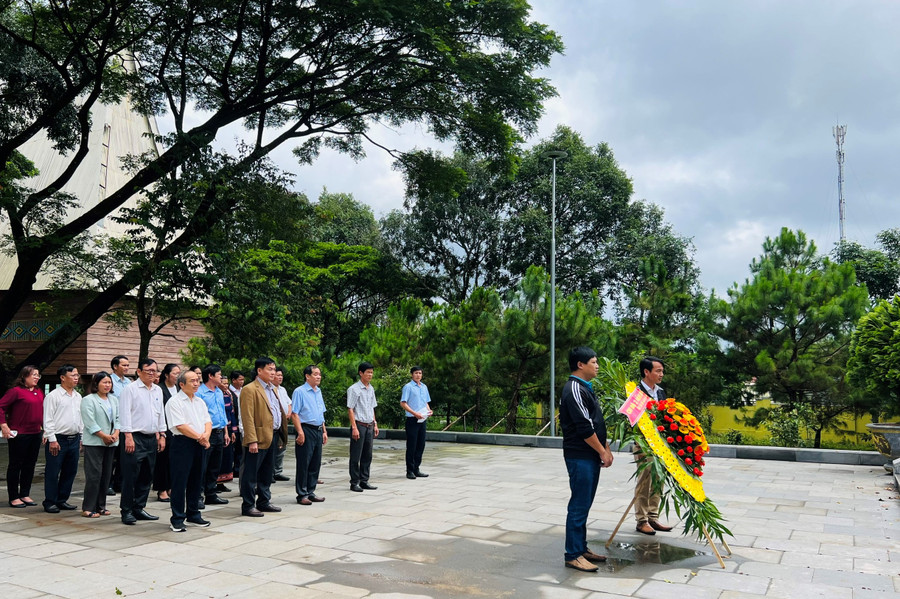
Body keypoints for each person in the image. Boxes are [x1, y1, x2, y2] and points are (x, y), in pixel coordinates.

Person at [559, 346, 614, 572]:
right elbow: (583, 427)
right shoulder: (573, 389)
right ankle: (573, 554)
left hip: (590, 454)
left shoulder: (585, 388)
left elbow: (596, 423)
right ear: (580, 365)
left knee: (585, 503)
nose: (597, 365)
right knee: (579, 505)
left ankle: (581, 548)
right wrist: (602, 451)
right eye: (593, 362)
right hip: (580, 455)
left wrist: (605, 447)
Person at [118, 358, 166, 525]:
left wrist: (162, 435)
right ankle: (127, 510)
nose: (152, 373)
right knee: (131, 475)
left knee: (147, 474)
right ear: (139, 372)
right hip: (134, 436)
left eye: (155, 370)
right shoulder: (130, 389)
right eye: (148, 370)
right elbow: (124, 414)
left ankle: (139, 507)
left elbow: (160, 414)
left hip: (151, 437)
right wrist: (128, 437)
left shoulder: (157, 390)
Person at [238, 357, 288, 517]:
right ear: (259, 371)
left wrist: (280, 435)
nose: (273, 372)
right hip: (257, 439)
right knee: (251, 473)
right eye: (270, 369)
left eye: (274, 369)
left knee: (267, 472)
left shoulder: (272, 389)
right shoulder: (250, 389)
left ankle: (264, 501)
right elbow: (247, 417)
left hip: (272, 436)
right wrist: (252, 440)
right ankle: (248, 505)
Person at [166, 369, 212, 532]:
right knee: (180, 482)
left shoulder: (199, 401)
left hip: (200, 443)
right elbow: (180, 426)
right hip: (182, 444)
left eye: (197, 380)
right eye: (192, 381)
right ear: (182, 384)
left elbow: (208, 421)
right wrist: (201, 437)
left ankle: (193, 513)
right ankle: (177, 518)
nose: (196, 383)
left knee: (196, 480)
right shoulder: (175, 402)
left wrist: (205, 436)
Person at [633, 356, 674, 536]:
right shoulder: (635, 393)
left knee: (659, 479)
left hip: (661, 445)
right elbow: (632, 421)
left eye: (662, 371)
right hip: (643, 444)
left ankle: (652, 516)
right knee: (645, 480)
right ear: (646, 372)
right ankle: (641, 520)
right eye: (658, 371)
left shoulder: (661, 392)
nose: (661, 374)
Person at [0, 366, 44, 508]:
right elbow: (1, 407)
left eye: (38, 375)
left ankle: (25, 493)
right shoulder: (15, 392)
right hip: (20, 434)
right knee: (15, 465)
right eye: (34, 375)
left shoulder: (38, 391)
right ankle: (13, 496)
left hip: (36, 433)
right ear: (24, 376)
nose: (37, 377)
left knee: (30, 464)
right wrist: (4, 425)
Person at [42, 364, 83, 513]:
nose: (76, 378)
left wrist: (81, 438)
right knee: (53, 471)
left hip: (74, 438)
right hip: (58, 439)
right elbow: (48, 419)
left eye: (77, 375)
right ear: (62, 377)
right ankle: (50, 501)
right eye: (73, 375)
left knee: (70, 471)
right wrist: (52, 439)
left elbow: (80, 419)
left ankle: (62, 499)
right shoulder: (53, 396)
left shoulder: (78, 396)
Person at [80, 372, 120, 518]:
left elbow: (118, 418)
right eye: (104, 382)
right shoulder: (88, 400)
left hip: (111, 442)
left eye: (109, 382)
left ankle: (101, 505)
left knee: (106, 475)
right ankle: (88, 507)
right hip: (95, 442)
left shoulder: (114, 400)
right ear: (96, 384)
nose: (107, 385)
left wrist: (116, 433)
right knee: (94, 475)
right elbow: (89, 422)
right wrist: (103, 435)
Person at [291, 365, 328, 505]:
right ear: (307, 376)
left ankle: (311, 491)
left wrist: (324, 430)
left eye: (319, 374)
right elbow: (294, 413)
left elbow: (321, 413)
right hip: (306, 429)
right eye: (315, 374)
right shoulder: (299, 392)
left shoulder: (318, 391)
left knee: (315, 463)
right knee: (304, 463)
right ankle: (302, 494)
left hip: (318, 429)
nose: (318, 376)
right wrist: (300, 432)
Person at [197, 364, 231, 506]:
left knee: (214, 466)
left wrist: (226, 431)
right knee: (202, 466)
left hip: (219, 432)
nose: (221, 377)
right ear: (210, 376)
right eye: (219, 375)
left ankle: (211, 494)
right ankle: (198, 496)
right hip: (207, 434)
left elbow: (222, 412)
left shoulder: (218, 392)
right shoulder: (200, 393)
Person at [347, 361, 379, 492]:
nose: (370, 375)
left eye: (371, 372)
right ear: (361, 373)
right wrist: (354, 427)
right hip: (359, 424)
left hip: (369, 425)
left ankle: (364, 480)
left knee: (367, 454)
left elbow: (372, 408)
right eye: (368, 372)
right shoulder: (354, 389)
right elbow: (350, 409)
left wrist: (375, 423)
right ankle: (354, 482)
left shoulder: (371, 389)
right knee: (356, 455)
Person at [153, 363, 180, 503]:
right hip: (164, 429)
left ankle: (171, 487)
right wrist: (160, 433)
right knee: (162, 461)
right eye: (174, 373)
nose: (177, 376)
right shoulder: (159, 389)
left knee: (174, 461)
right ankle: (162, 489)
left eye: (178, 373)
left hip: (177, 429)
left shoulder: (179, 388)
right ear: (166, 375)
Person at [400, 366, 432, 480]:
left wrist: (429, 410)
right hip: (412, 419)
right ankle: (410, 470)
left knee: (421, 445)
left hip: (422, 419)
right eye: (416, 373)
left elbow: (426, 402)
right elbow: (403, 403)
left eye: (420, 373)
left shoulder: (424, 387)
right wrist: (414, 413)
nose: (418, 375)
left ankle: (416, 468)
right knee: (412, 445)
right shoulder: (408, 387)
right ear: (411, 375)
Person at [108, 355, 131, 496]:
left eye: (128, 365)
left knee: (124, 456)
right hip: (112, 424)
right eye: (124, 365)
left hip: (126, 423)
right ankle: (108, 484)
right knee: (112, 457)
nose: (127, 368)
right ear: (115, 366)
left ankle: (119, 483)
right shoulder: (109, 381)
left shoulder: (129, 382)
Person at [216, 375, 237, 491]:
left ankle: (222, 482)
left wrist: (233, 430)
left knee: (227, 458)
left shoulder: (229, 395)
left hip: (228, 427)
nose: (225, 385)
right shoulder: (218, 395)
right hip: (221, 429)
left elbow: (231, 413)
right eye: (223, 383)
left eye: (227, 383)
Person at [272, 367, 292, 482]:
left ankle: (278, 471)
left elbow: (289, 403)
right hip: (274, 422)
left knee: (282, 445)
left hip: (283, 421)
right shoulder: (270, 389)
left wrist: (288, 413)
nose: (280, 377)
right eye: (277, 375)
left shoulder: (282, 389)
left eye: (281, 375)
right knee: (273, 447)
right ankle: (270, 472)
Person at [229, 371, 245, 478]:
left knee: (240, 448)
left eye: (243, 380)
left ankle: (238, 469)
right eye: (240, 379)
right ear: (233, 380)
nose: (242, 382)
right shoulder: (229, 392)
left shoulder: (244, 391)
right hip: (233, 423)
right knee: (233, 449)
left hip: (242, 423)